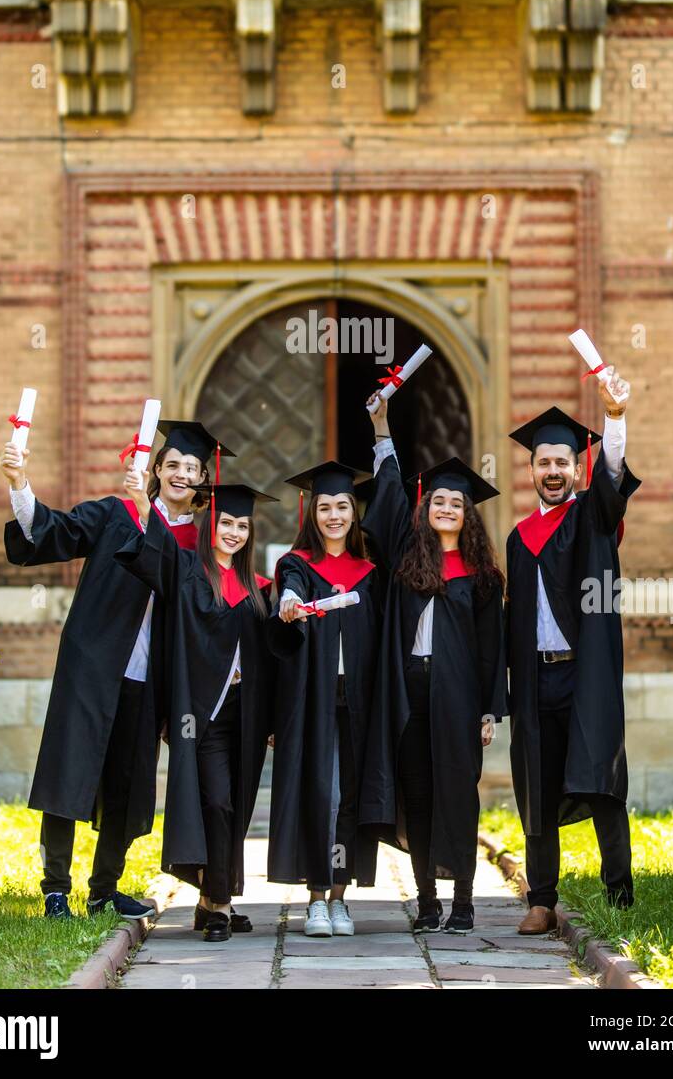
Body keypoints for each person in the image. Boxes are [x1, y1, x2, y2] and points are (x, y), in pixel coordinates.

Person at [0, 417, 226, 920]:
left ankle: (104, 889)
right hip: (92, 665)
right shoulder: (116, 514)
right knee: (69, 771)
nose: (182, 474)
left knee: (127, 786)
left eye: (192, 467)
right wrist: (20, 483)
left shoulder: (203, 544)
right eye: (174, 465)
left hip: (151, 680)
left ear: (204, 480)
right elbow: (53, 531)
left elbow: (185, 586)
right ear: (156, 471)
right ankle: (55, 888)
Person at [360, 393, 507, 935]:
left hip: (460, 696)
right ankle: (426, 902)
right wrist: (381, 425)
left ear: (468, 513)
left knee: (458, 794)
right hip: (408, 691)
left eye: (456, 503)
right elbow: (391, 489)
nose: (446, 507)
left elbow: (493, 648)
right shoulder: (406, 555)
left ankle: (463, 902)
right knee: (417, 795)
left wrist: (490, 709)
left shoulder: (483, 577)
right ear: (426, 507)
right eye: (438, 500)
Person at [505, 370, 640, 935]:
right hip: (535, 680)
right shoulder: (517, 538)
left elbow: (612, 479)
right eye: (544, 463)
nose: (553, 471)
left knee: (602, 779)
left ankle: (620, 893)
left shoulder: (592, 517)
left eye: (563, 462)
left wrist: (613, 418)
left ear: (576, 467)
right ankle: (541, 899)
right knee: (535, 786)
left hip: (585, 677)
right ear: (531, 469)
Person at [116, 471, 277, 943]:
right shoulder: (188, 571)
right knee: (216, 801)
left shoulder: (257, 586)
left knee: (235, 807)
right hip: (200, 715)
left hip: (245, 716)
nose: (234, 532)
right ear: (211, 525)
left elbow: (269, 657)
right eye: (226, 522)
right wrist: (140, 502)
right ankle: (222, 904)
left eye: (243, 527)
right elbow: (156, 549)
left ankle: (210, 902)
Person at [266, 460, 381, 938]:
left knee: (351, 795)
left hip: (358, 700)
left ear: (354, 513)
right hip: (312, 701)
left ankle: (340, 897)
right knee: (322, 794)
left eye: (342, 506)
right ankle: (315, 896)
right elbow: (288, 594)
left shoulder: (371, 572)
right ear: (311, 513)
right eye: (325, 507)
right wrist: (290, 604)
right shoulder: (295, 566)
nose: (333, 515)